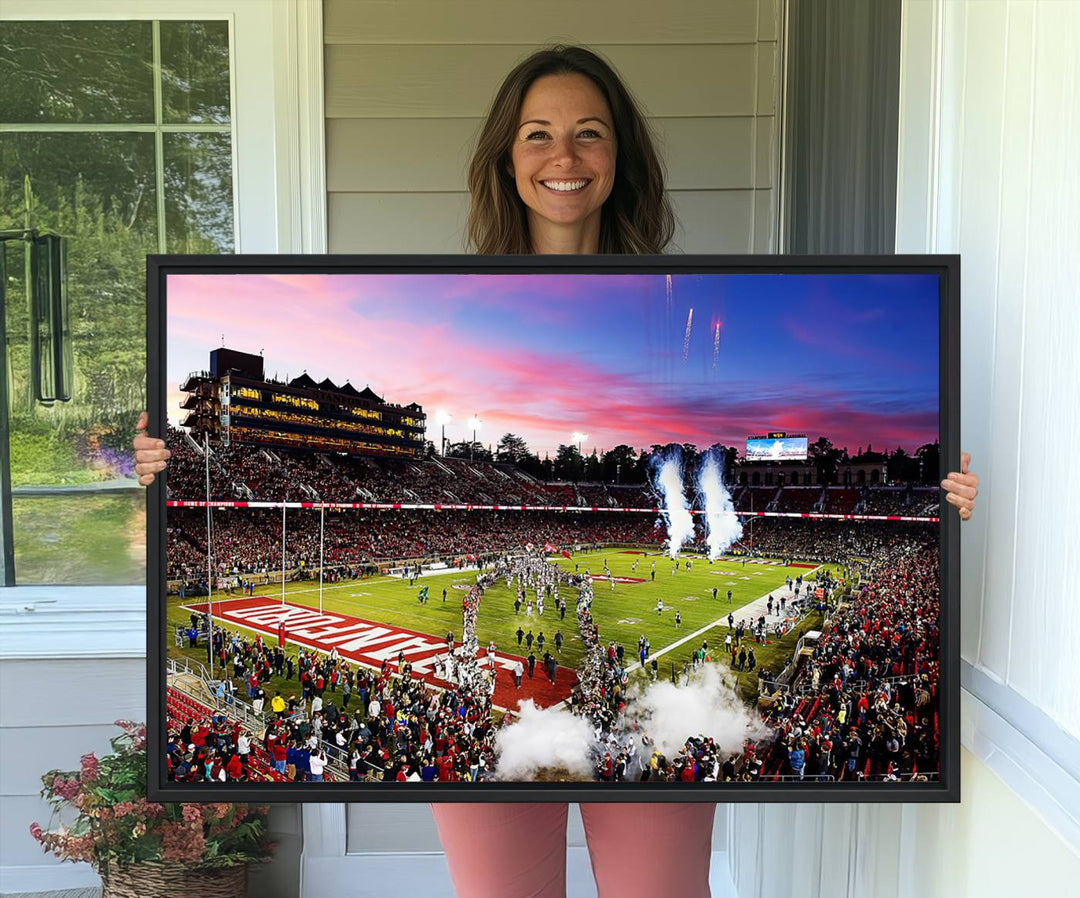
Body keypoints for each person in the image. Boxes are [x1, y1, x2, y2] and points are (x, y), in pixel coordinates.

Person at [134, 43, 980, 898]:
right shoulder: (452, 295)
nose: (563, 157)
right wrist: (161, 466)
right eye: (537, 134)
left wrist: (943, 498)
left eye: (589, 133)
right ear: (506, 157)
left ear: (621, 158)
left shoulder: (681, 294)